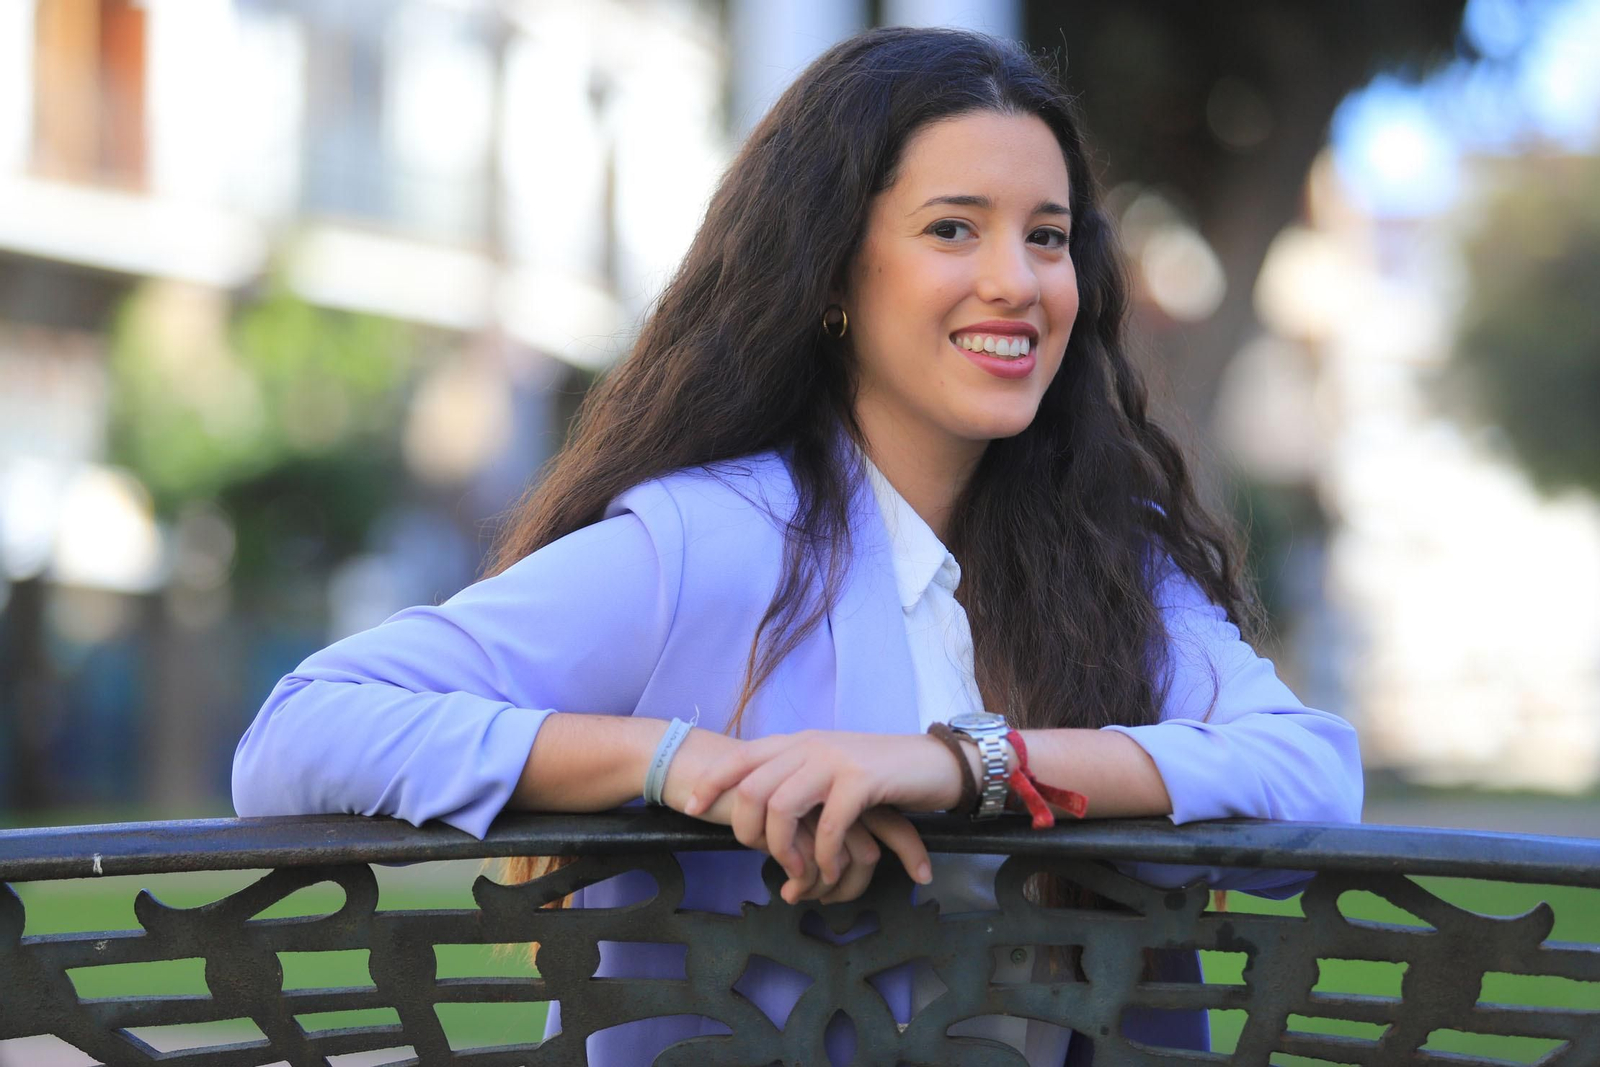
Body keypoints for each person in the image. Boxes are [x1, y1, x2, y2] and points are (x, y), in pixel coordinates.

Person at [233, 25, 1363, 1066]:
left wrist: (966, 767)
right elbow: (302, 730)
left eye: (1048, 237)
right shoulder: (710, 541)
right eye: (953, 228)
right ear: (832, 273)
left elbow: (1310, 771)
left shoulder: (1107, 556)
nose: (1015, 281)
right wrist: (677, 762)